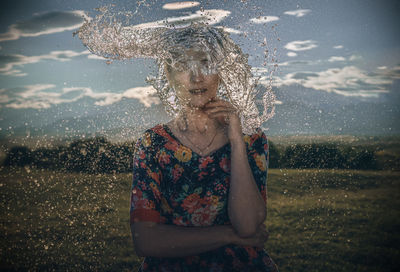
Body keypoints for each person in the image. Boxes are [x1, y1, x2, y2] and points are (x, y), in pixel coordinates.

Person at [129, 25, 279, 271]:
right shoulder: (153, 144)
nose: (196, 76)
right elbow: (145, 241)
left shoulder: (251, 139)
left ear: (221, 70)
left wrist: (236, 142)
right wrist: (229, 236)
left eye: (206, 63)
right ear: (168, 73)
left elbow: (249, 226)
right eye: (183, 66)